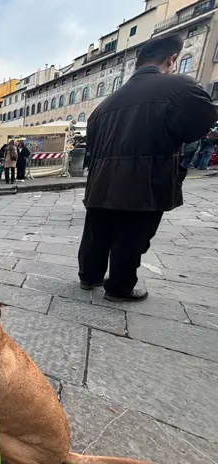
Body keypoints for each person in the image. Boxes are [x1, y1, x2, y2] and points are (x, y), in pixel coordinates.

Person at [78, 34, 217, 302]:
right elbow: (198, 125)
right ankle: (119, 287)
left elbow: (93, 147)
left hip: (100, 180)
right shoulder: (178, 87)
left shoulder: (103, 105)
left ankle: (89, 276)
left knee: (97, 230)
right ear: (172, 59)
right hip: (145, 178)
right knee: (132, 233)